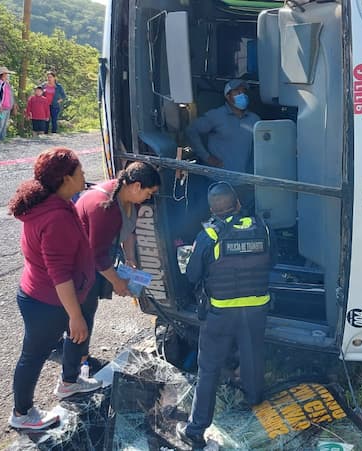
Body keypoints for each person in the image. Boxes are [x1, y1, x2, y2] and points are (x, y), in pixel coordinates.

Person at [8, 148, 102, 430]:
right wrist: (74, 314)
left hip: (55, 297)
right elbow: (59, 274)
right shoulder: (56, 217)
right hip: (48, 302)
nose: (84, 176)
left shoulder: (51, 203)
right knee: (33, 355)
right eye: (80, 172)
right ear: (65, 178)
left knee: (77, 335)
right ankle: (22, 413)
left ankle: (69, 382)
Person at [176, 182, 272, 449]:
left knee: (208, 369)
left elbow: (193, 274)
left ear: (212, 210)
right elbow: (270, 262)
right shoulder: (262, 228)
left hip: (221, 312)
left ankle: (195, 430)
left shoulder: (209, 235)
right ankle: (254, 400)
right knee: (252, 355)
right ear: (238, 204)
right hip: (256, 309)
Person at [72, 162, 161, 364]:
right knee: (82, 312)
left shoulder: (129, 198)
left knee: (87, 309)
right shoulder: (105, 206)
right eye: (149, 193)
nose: (149, 197)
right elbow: (97, 255)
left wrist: (130, 258)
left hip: (94, 259)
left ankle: (79, 356)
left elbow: (129, 232)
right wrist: (117, 282)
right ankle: (74, 369)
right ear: (137, 186)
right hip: (78, 263)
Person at [186, 79, 260, 211]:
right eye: (237, 92)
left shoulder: (254, 119)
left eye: (244, 91)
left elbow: (260, 148)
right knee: (220, 218)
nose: (242, 95)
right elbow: (192, 130)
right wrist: (206, 156)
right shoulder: (216, 116)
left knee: (244, 219)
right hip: (218, 181)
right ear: (228, 96)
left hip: (244, 182)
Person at [0, 66, 18, 141]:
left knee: (4, 125)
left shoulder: (7, 84)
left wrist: (13, 105)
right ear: (3, 74)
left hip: (7, 108)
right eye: (6, 74)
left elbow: (10, 95)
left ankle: (2, 139)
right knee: (0, 124)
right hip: (1, 108)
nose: (7, 75)